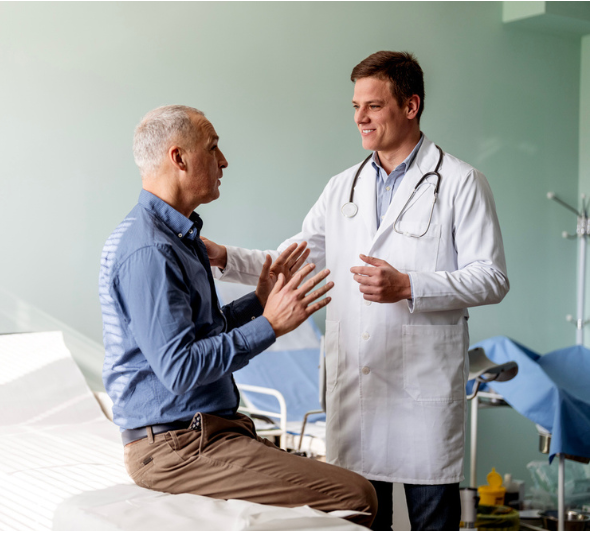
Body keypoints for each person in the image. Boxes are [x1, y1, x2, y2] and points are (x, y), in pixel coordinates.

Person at [203, 52, 509, 530]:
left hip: (420, 389)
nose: (359, 119)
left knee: (432, 520)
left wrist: (409, 285)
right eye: (355, 106)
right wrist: (225, 257)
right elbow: (290, 259)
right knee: (358, 518)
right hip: (358, 388)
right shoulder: (342, 187)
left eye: (373, 106)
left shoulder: (460, 183)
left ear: (411, 106)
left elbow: (491, 277)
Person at [99, 104, 378, 528]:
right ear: (179, 158)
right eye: (213, 149)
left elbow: (201, 334)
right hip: (177, 448)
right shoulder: (150, 250)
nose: (224, 160)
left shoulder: (180, 236)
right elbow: (179, 368)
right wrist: (270, 326)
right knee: (356, 495)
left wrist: (258, 302)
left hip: (207, 432)